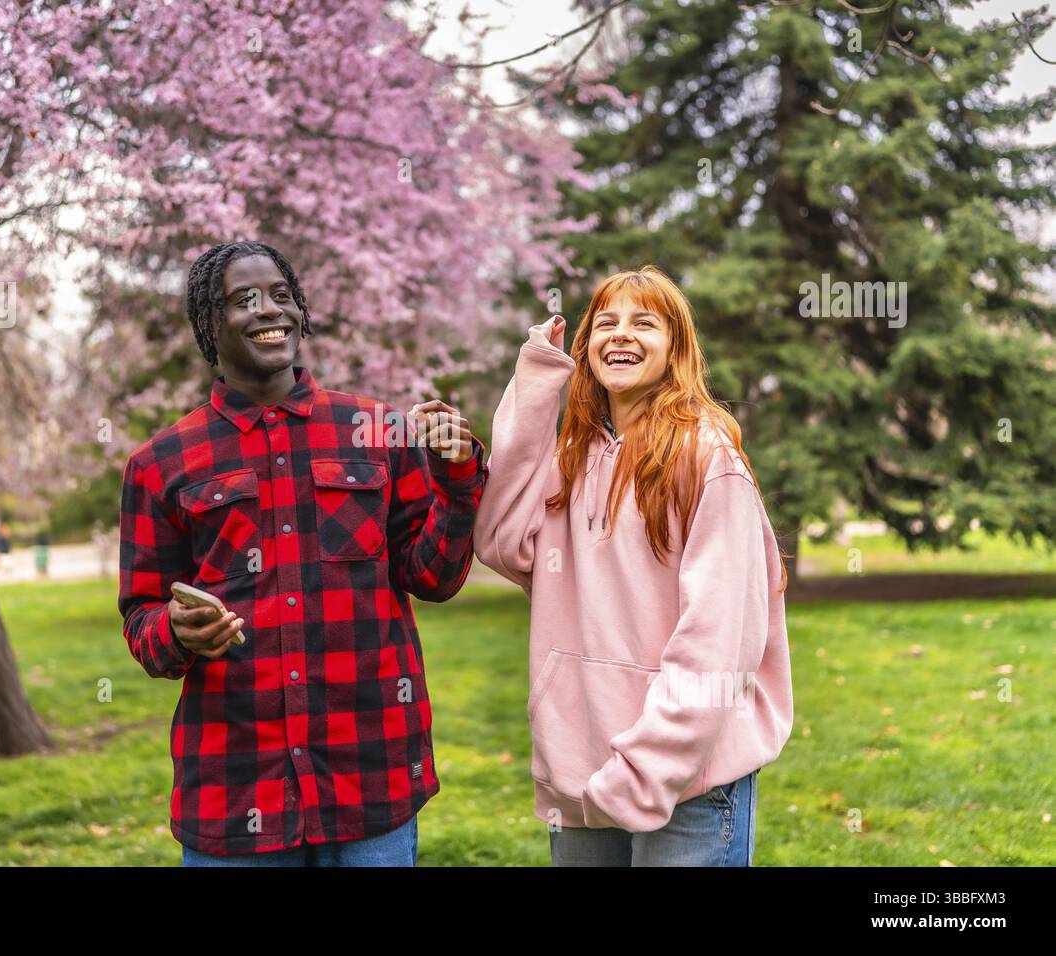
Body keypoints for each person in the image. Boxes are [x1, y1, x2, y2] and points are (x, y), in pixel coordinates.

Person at [118, 239, 487, 867]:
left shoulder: (378, 431)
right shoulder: (160, 464)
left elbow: (433, 576)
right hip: (236, 788)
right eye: (245, 300)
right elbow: (141, 618)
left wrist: (456, 480)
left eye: (282, 296)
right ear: (211, 324)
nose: (270, 311)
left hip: (370, 775)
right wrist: (177, 631)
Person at [473, 265, 793, 867]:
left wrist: (644, 772)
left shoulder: (707, 458)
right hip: (582, 773)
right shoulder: (572, 460)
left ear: (675, 349)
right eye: (605, 323)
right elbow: (498, 537)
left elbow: (719, 641)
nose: (620, 334)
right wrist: (539, 384)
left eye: (644, 323)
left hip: (688, 782)